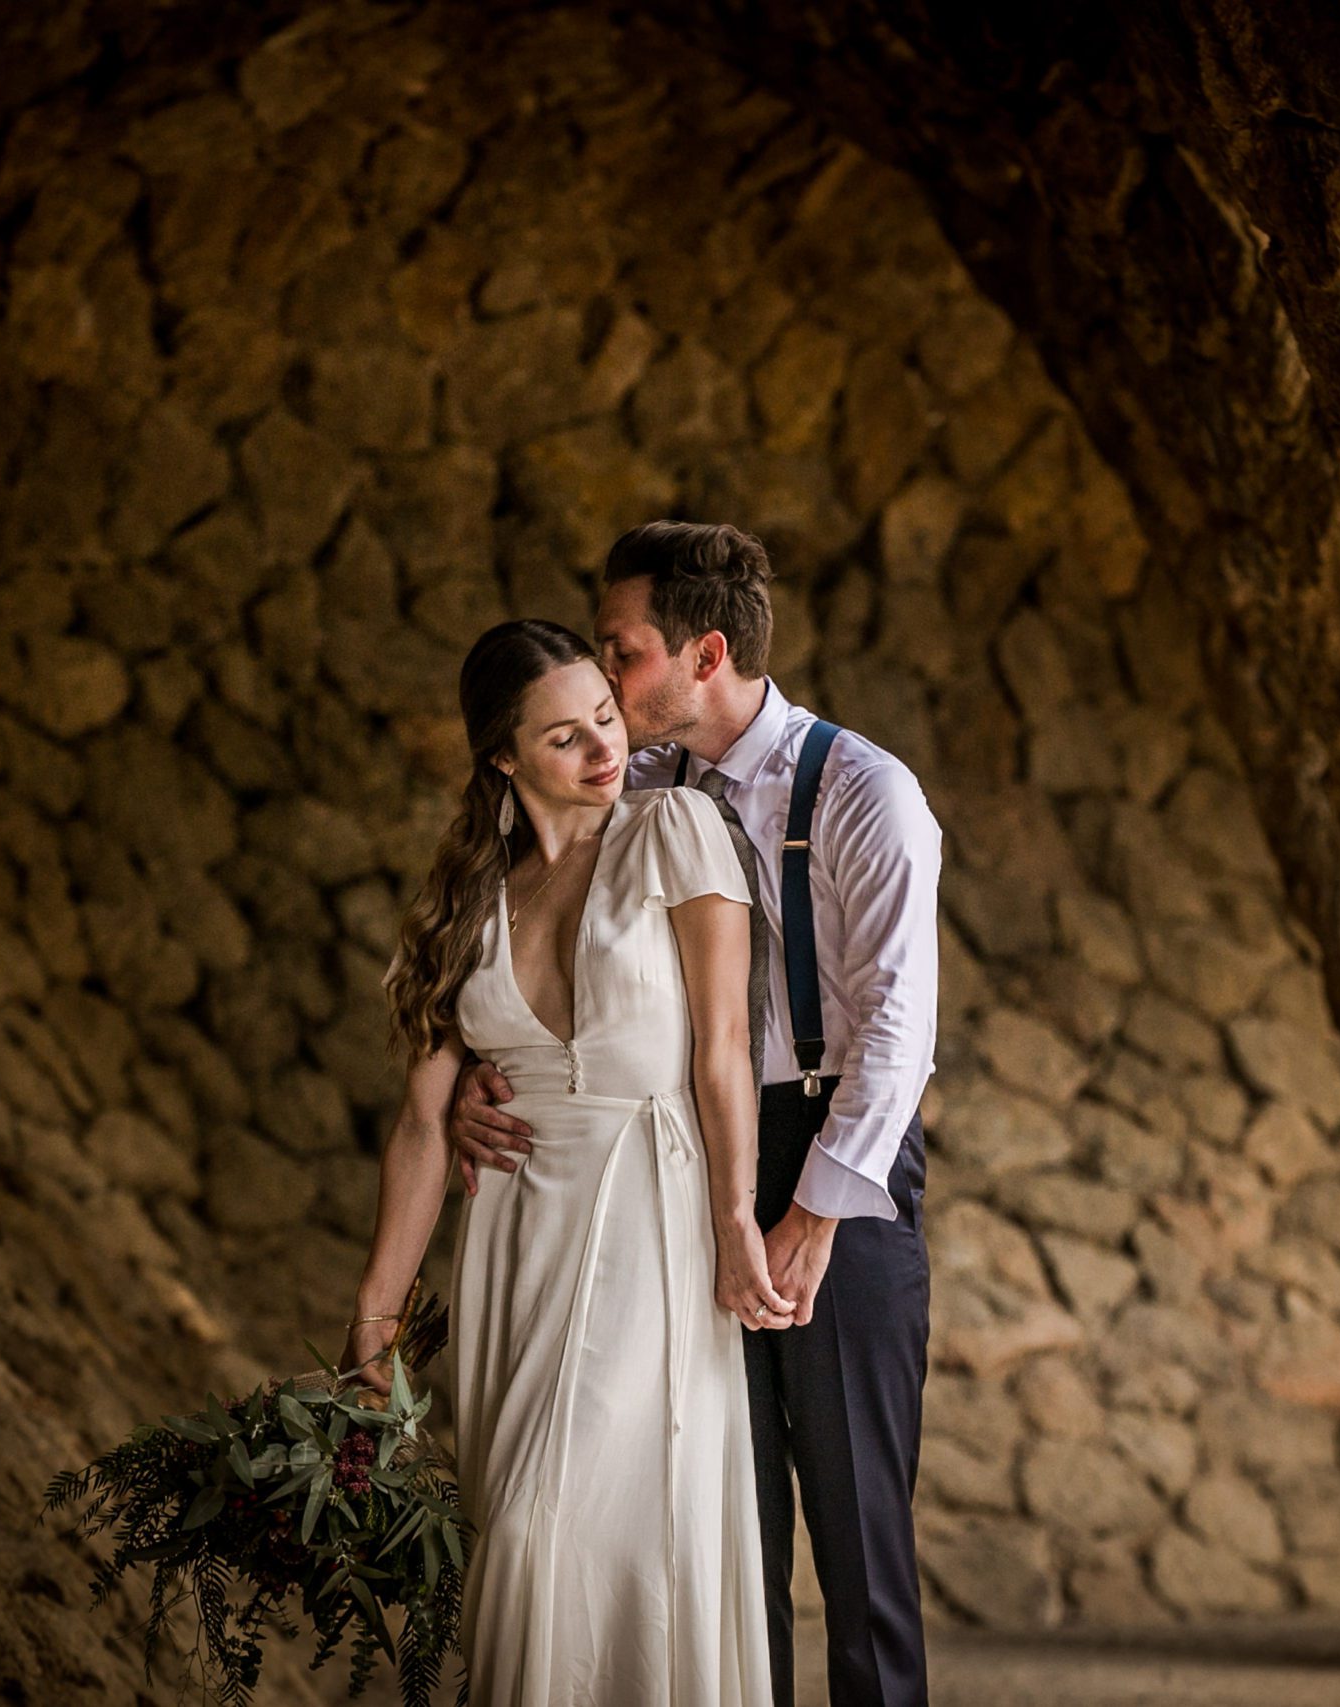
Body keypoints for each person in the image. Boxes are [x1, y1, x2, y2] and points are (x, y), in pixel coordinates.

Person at [447, 521, 941, 1707]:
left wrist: (812, 1219)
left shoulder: (864, 790)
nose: (604, 683)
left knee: (859, 1528)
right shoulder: (634, 788)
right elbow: (559, 951)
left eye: (622, 654)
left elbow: (896, 1030)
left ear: (702, 652)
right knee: (724, 1531)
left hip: (833, 1166)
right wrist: (488, 1069)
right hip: (681, 1172)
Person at [342, 616, 796, 1707]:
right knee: (513, 1530)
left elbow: (722, 1046)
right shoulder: (467, 902)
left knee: (565, 1521)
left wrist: (736, 1223)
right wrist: (375, 1320)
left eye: (607, 717)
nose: (604, 751)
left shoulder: (675, 827)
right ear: (501, 757)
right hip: (515, 1238)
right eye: (565, 738)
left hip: (652, 1212)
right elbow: (419, 1125)